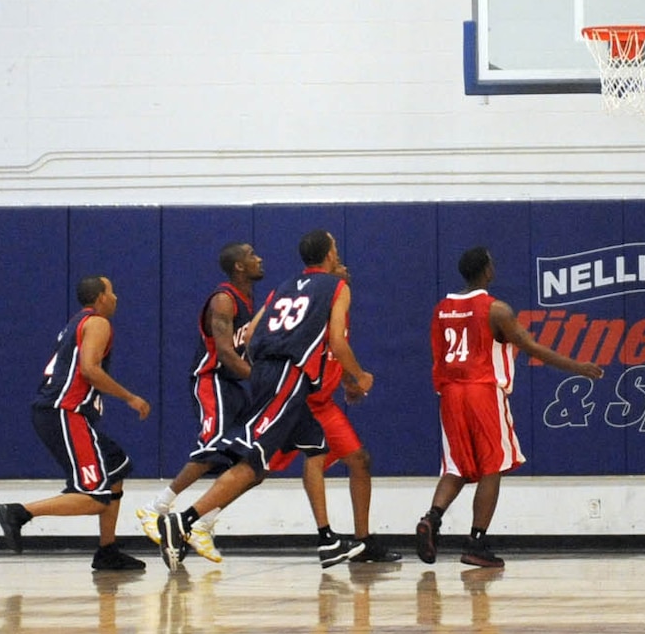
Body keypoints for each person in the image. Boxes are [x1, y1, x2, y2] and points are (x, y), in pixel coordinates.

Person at [157, 230, 374, 569]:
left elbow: (251, 334)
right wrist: (360, 377)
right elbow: (338, 342)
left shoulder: (284, 286)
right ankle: (183, 521)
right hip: (287, 376)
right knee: (253, 461)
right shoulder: (336, 287)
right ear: (330, 255)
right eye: (335, 248)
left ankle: (327, 539)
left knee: (315, 446)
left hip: (276, 375)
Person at [415, 247, 605, 569]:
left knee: (457, 466)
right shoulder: (496, 309)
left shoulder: (442, 308)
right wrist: (578, 367)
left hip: (450, 394)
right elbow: (531, 347)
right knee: (492, 466)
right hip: (483, 392)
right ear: (487, 271)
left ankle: (432, 518)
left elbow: (437, 356)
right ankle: (476, 543)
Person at [0, 275, 152, 572]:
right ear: (100, 298)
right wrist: (130, 397)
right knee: (95, 497)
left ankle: (107, 550)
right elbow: (90, 370)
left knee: (116, 466)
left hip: (59, 412)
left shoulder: (75, 322)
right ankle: (19, 513)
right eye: (112, 291)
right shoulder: (98, 323)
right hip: (65, 412)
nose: (116, 297)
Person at [137, 242, 264, 567]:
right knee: (214, 449)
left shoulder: (249, 301)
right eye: (251, 255)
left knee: (254, 466)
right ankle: (157, 507)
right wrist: (261, 379)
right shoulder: (223, 299)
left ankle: (200, 524)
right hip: (213, 381)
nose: (258, 258)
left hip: (233, 386)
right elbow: (224, 353)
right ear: (238, 266)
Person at [301, 258, 397, 566]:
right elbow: (331, 346)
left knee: (359, 460)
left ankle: (363, 541)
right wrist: (360, 377)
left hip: (323, 403)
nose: (347, 268)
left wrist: (345, 381)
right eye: (340, 264)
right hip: (299, 400)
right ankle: (194, 520)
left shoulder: (337, 306)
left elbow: (330, 351)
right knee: (254, 472)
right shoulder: (318, 302)